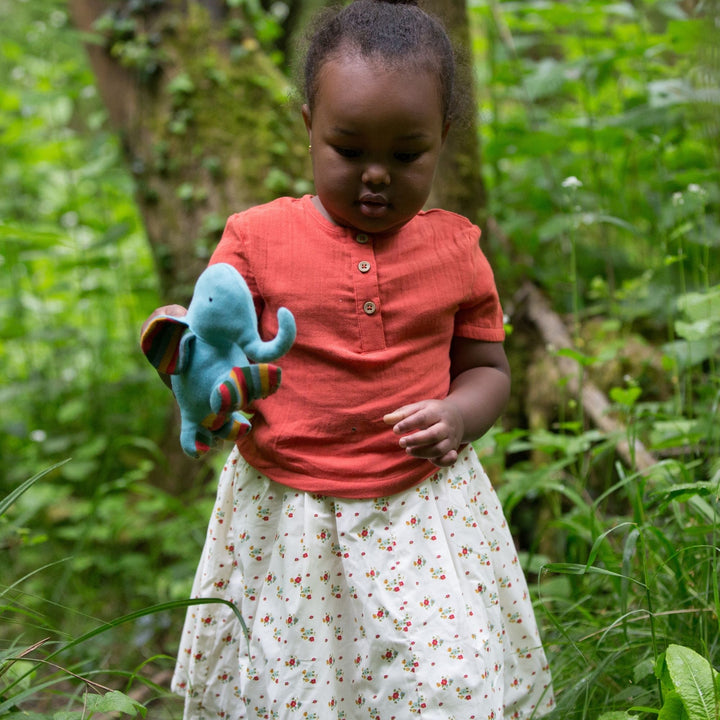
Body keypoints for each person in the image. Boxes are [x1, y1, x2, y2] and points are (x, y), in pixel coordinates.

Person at [153, 1, 554, 717]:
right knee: (300, 689)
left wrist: (459, 415)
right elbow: (214, 350)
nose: (376, 176)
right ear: (310, 125)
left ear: (444, 137)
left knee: (446, 686)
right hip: (290, 519)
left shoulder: (455, 249)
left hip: (421, 516)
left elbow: (489, 369)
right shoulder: (256, 238)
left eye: (407, 155)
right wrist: (195, 384)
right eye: (348, 149)